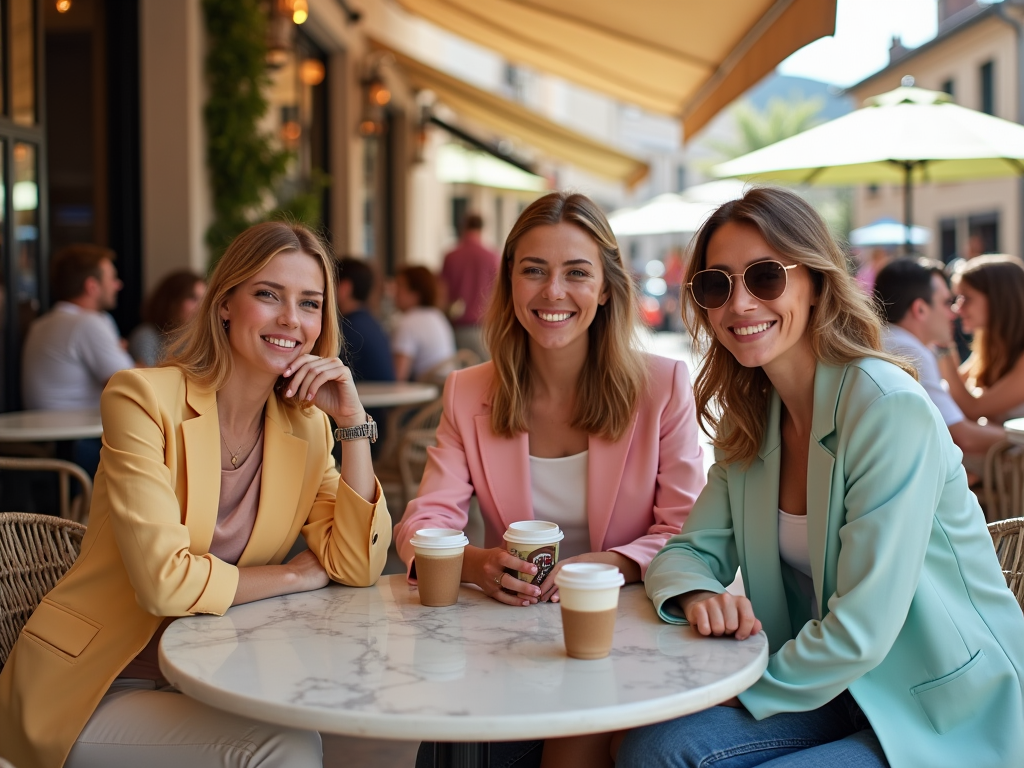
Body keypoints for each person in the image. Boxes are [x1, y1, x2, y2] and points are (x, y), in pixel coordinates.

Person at [611, 187, 1024, 768]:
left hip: (941, 701)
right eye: (715, 284)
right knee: (653, 747)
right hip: (830, 685)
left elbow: (863, 627)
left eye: (764, 278)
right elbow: (687, 552)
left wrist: (733, 692)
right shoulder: (753, 420)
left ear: (815, 280)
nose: (740, 304)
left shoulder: (887, 409)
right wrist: (699, 591)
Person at [0, 221, 392, 768]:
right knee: (284, 746)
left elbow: (356, 563)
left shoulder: (309, 428)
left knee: (296, 731)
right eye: (267, 295)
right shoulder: (143, 400)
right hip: (94, 686)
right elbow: (165, 584)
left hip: (207, 675)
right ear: (225, 303)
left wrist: (353, 425)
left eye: (309, 303)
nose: (290, 320)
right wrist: (295, 574)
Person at [397, 192, 706, 768]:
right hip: (512, 637)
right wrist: (477, 564)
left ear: (606, 287)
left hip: (631, 633)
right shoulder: (469, 392)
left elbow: (687, 533)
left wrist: (605, 566)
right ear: (509, 282)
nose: (553, 292)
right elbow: (426, 521)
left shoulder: (662, 387)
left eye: (576, 273)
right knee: (450, 752)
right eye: (533, 271)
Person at [874, 258, 1005, 462]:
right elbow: (962, 435)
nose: (955, 312)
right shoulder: (908, 350)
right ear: (920, 309)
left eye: (965, 299)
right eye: (947, 302)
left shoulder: (889, 339)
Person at [21, 244, 134, 476]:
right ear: (91, 286)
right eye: (112, 278)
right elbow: (130, 384)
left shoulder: (42, 324)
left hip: (45, 445)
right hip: (77, 446)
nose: (118, 284)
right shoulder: (88, 324)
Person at [938, 254, 1024, 424]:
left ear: (998, 300)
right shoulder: (989, 343)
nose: (957, 308)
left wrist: (944, 348)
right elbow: (952, 391)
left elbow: (973, 408)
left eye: (966, 298)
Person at [440, 212, 500, 361]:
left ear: (463, 227)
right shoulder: (492, 256)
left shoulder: (451, 256)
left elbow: (442, 293)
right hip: (486, 327)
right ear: (482, 228)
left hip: (458, 326)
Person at [128, 270, 207, 367]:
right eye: (193, 298)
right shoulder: (146, 335)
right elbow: (150, 377)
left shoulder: (197, 339)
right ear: (171, 302)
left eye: (204, 300)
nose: (200, 306)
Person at [391, 265, 456, 381]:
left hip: (425, 394)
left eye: (399, 286)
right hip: (446, 390)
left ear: (416, 293)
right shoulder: (437, 316)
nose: (394, 293)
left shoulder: (408, 322)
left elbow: (399, 376)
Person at [336, 257, 395, 383]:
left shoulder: (348, 329)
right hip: (385, 399)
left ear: (345, 288)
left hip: (367, 401)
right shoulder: (371, 322)